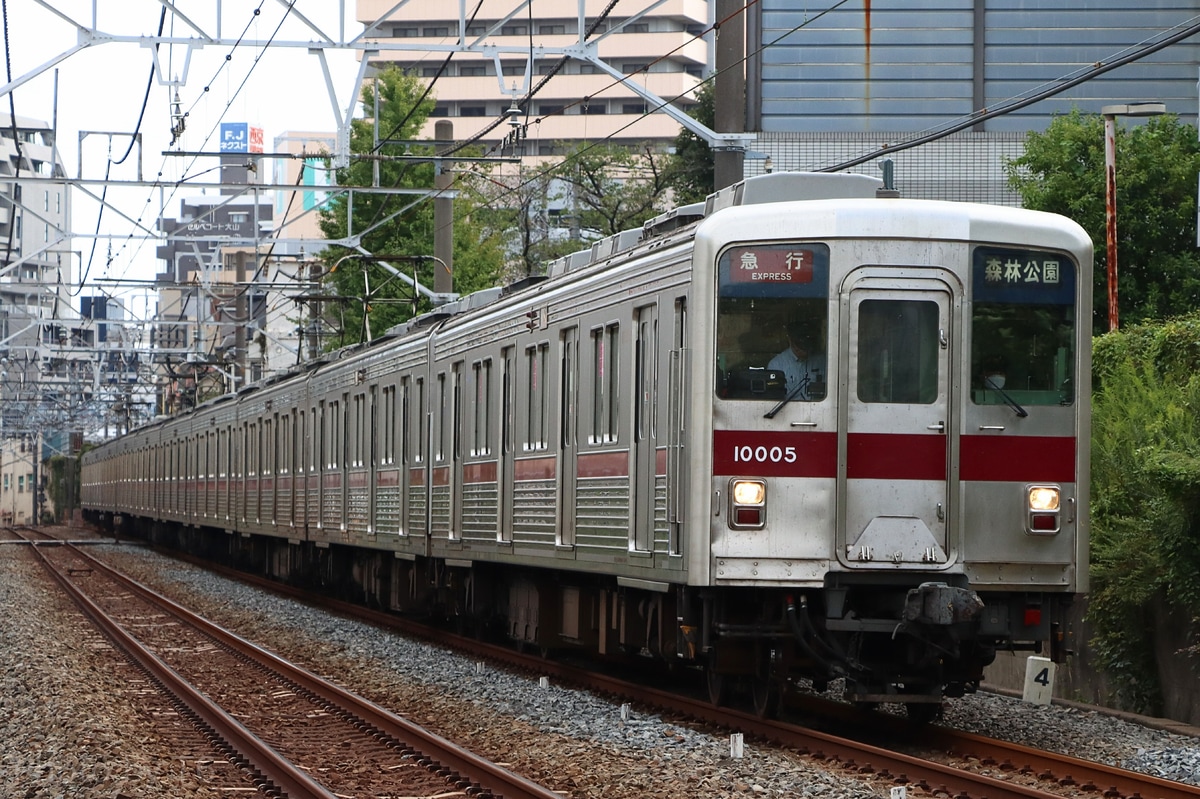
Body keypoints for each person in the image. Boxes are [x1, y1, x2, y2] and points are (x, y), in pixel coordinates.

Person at [768, 319, 825, 398]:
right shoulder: (777, 365)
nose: (803, 350)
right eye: (799, 345)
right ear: (790, 341)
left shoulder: (823, 362)